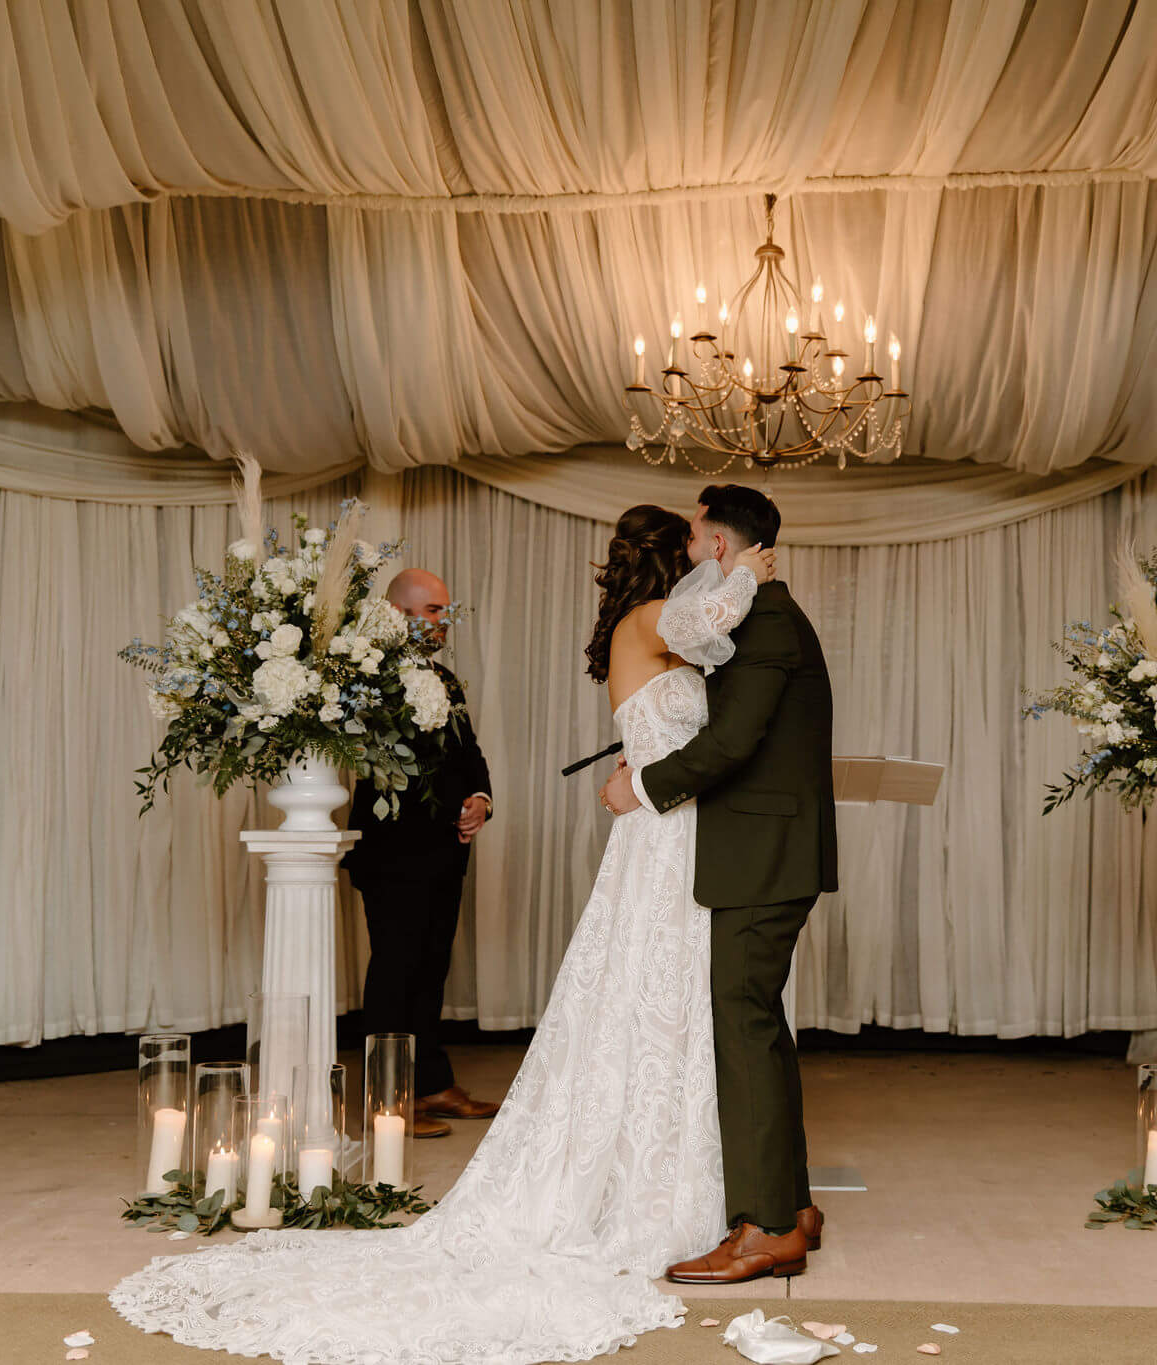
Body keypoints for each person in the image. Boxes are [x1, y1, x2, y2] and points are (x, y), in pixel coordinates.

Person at [112, 507, 783, 1365]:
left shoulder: (656, 629)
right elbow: (720, 622)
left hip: (673, 829)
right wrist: (748, 569)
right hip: (660, 835)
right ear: (672, 561)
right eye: (692, 546)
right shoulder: (656, 619)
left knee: (658, 1002)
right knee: (638, 996)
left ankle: (668, 1156)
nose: (705, 556)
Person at [600, 484, 838, 1283]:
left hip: (761, 856)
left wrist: (642, 785)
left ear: (718, 546)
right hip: (760, 852)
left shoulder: (767, 619)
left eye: (698, 535)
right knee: (760, 1026)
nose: (688, 548)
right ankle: (792, 1203)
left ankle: (767, 1227)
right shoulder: (755, 614)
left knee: (742, 1027)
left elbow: (733, 741)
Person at [343, 568, 497, 1139]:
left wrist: (479, 799)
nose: (440, 621)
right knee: (395, 971)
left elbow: (467, 751)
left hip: (444, 850)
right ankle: (385, 1100)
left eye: (443, 611)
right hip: (393, 850)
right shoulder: (367, 681)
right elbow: (389, 772)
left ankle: (431, 1083)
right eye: (432, 610)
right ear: (398, 613)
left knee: (432, 968)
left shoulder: (447, 679)